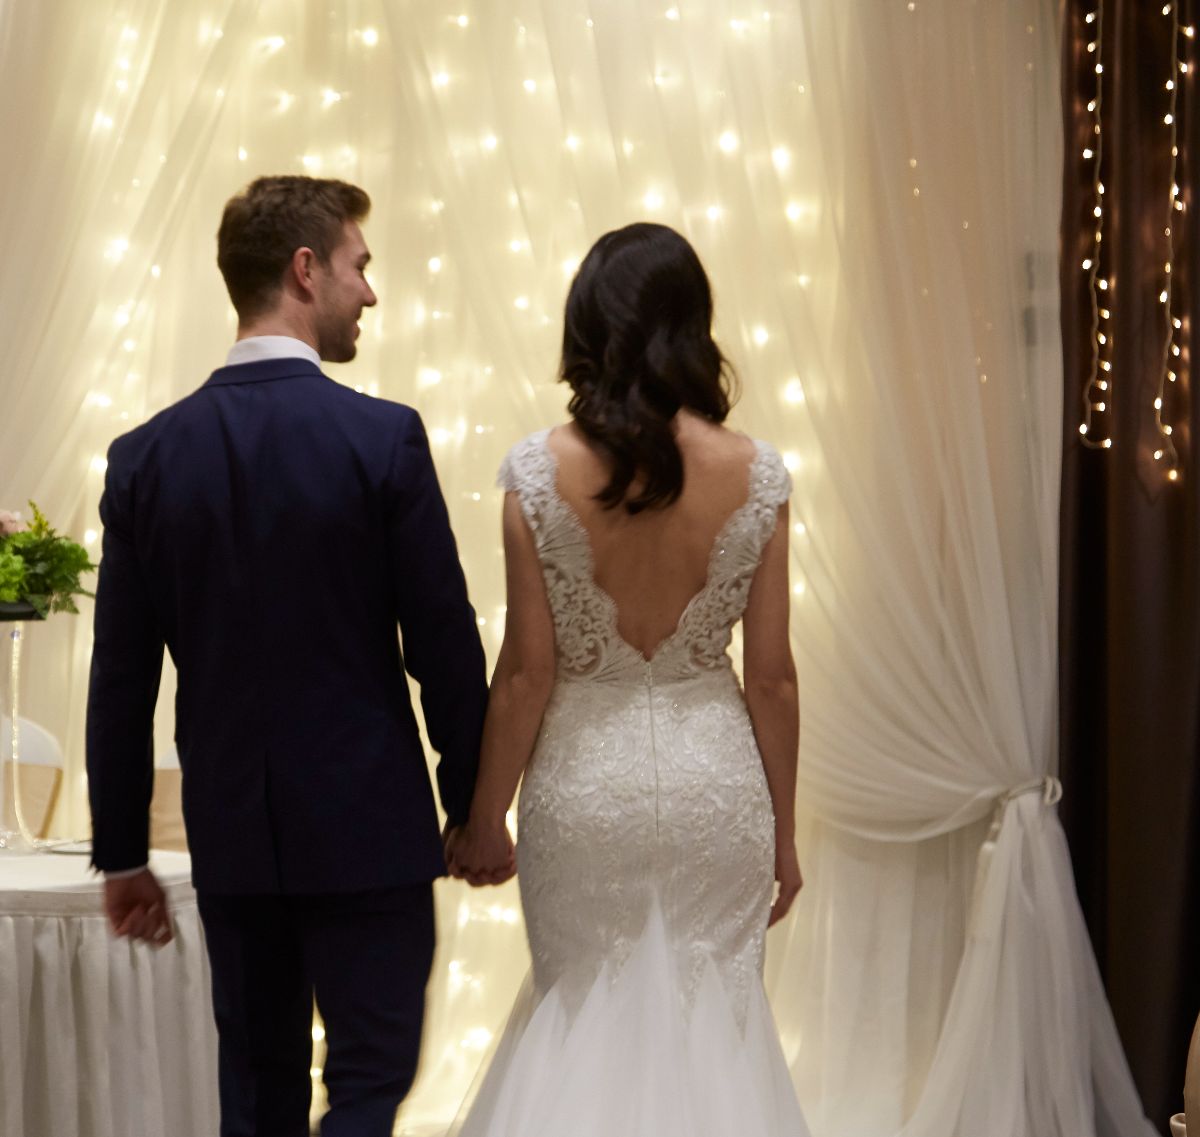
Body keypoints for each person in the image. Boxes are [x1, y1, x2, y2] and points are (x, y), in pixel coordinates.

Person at [85, 175, 503, 1137]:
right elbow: (442, 641)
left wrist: (123, 853)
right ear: (305, 271)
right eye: (360, 265)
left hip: (232, 839)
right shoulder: (382, 438)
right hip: (371, 833)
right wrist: (472, 806)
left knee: (257, 1094)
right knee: (367, 1084)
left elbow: (122, 681)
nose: (370, 292)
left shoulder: (144, 457)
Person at [447, 222, 810, 1135]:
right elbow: (772, 679)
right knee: (715, 1027)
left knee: (581, 1012)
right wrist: (784, 834)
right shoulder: (758, 475)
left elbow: (526, 674)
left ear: (587, 326)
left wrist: (485, 818)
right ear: (694, 325)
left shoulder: (538, 475)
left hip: (585, 791)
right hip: (716, 790)